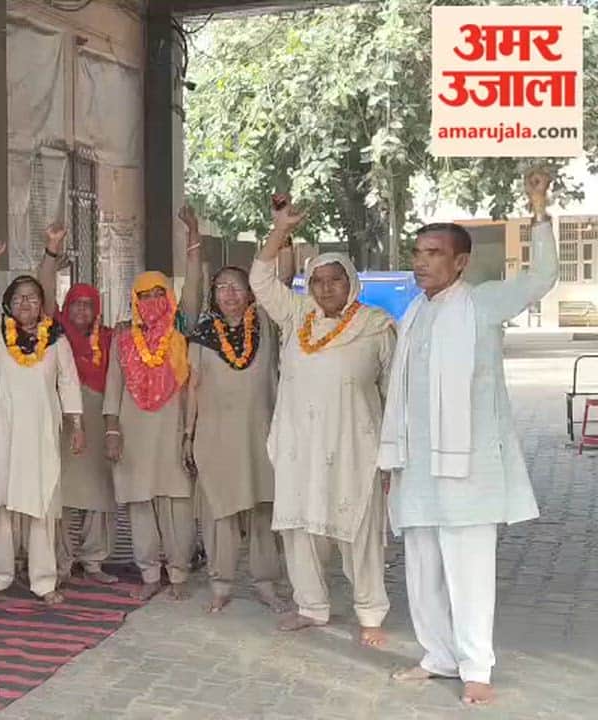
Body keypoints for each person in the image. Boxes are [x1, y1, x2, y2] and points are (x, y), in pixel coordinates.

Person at [381, 169, 557, 705]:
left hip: (469, 469)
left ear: (460, 262)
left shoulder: (481, 303)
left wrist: (538, 209)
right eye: (417, 253)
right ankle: (437, 656)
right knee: (422, 569)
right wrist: (392, 461)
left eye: (433, 253)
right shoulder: (415, 312)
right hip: (417, 467)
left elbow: (541, 278)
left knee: (469, 570)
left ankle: (476, 666)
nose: (421, 262)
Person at [251, 200, 395, 647]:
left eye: (335, 279)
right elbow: (260, 280)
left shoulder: (376, 325)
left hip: (355, 446)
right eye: (318, 280)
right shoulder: (297, 316)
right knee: (300, 529)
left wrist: (394, 452)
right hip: (301, 445)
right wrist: (279, 231)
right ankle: (311, 607)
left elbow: (395, 393)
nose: (326, 287)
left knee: (359, 531)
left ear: (351, 283)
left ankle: (370, 612)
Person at [0, 239, 84, 604]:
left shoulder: (55, 338)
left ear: (42, 304)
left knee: (41, 504)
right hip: (1, 432)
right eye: (18, 298)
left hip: (40, 435)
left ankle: (44, 582)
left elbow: (69, 381)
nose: (25, 303)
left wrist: (77, 425)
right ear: (8, 303)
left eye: (32, 297)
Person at [103, 207, 203, 602]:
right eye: (144, 296)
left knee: (177, 503)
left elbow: (194, 285)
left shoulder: (182, 328)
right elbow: (113, 386)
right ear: (134, 300)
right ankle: (148, 574)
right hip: (134, 431)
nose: (152, 301)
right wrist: (112, 429)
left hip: (173, 429)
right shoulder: (123, 337)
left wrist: (192, 236)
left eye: (159, 293)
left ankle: (178, 573)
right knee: (140, 503)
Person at [185, 265, 287, 614]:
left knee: (263, 512)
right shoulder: (202, 335)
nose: (229, 294)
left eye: (237, 287)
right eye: (221, 288)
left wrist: (281, 238)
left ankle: (266, 584)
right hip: (215, 437)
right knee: (220, 512)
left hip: (261, 436)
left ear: (251, 293)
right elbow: (192, 388)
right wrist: (187, 434)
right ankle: (221, 585)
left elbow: (282, 277)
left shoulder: (266, 327)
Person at [37, 224, 120, 586]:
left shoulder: (111, 338)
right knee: (64, 495)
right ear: (66, 307)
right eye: (76, 304)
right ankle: (61, 562)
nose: (82, 310)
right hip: (65, 419)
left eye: (89, 304)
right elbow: (42, 290)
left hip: (100, 419)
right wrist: (51, 250)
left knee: (100, 493)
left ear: (96, 308)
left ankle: (94, 561)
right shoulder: (54, 330)